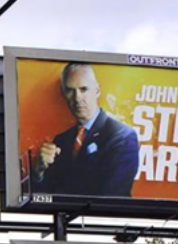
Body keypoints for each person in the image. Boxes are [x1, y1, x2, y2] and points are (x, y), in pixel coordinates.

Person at [32, 62, 139, 197]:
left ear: (97, 91)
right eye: (70, 90)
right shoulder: (61, 140)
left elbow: (113, 197)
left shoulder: (122, 137)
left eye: (83, 89)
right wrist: (39, 172)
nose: (77, 99)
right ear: (63, 93)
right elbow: (46, 197)